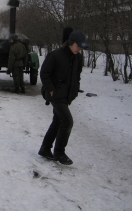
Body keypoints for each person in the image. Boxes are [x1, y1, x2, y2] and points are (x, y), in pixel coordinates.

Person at [37, 30, 87, 165]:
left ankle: (45, 149)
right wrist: (51, 89)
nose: (80, 49)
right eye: (78, 45)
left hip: (67, 95)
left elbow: (76, 75)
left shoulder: (77, 57)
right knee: (67, 121)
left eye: (82, 47)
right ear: (71, 42)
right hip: (56, 95)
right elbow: (44, 73)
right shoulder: (55, 55)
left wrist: (75, 90)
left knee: (57, 122)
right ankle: (59, 152)